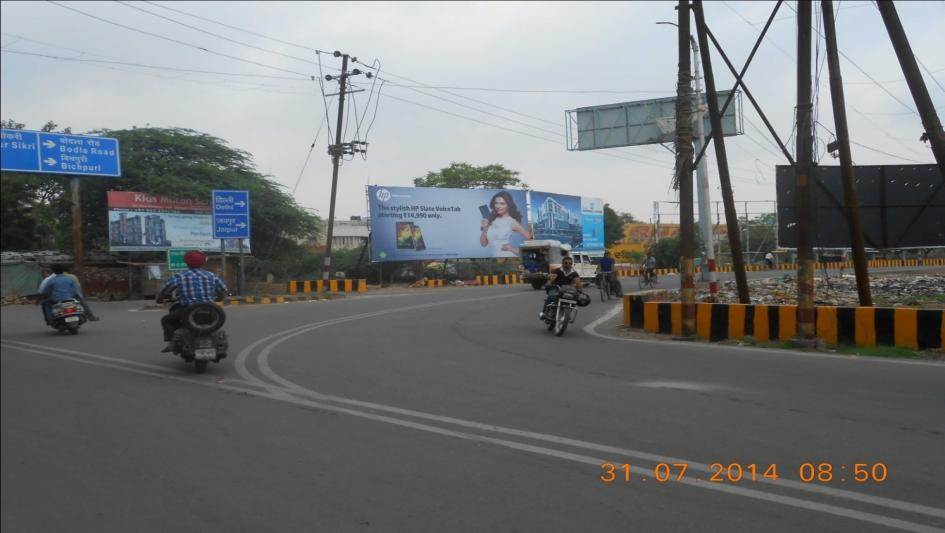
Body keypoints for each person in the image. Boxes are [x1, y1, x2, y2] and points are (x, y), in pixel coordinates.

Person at [157, 250, 228, 352]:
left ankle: (172, 342)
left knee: (166, 320)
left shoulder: (180, 276)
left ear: (187, 263)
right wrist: (219, 298)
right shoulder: (211, 276)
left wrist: (159, 299)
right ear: (203, 262)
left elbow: (164, 291)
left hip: (187, 310)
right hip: (210, 310)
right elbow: (223, 290)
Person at [480, 191, 531, 258]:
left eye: (502, 204)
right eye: (496, 203)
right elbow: (483, 244)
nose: (498, 206)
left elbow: (531, 238)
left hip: (507, 258)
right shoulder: (491, 219)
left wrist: (512, 249)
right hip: (495, 259)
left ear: (508, 205)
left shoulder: (512, 222)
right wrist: (485, 228)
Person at [540, 255, 583, 319]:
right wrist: (548, 284)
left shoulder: (574, 273)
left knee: (575, 298)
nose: (568, 264)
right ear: (562, 263)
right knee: (551, 296)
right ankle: (544, 313)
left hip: (567, 290)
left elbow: (578, 283)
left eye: (570, 263)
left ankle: (567, 314)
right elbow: (551, 278)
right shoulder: (557, 271)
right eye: (566, 263)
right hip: (556, 288)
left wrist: (582, 291)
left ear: (572, 264)